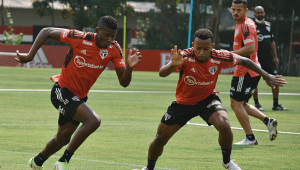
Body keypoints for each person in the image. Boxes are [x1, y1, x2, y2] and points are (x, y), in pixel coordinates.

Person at [141, 29, 286, 170]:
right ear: (193, 45)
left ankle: (227, 162)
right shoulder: (184, 56)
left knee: (224, 125)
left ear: (212, 47)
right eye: (198, 48)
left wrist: (266, 75)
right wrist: (173, 64)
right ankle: (149, 167)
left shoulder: (219, 56)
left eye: (206, 49)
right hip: (183, 103)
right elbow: (161, 73)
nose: (202, 52)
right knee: (160, 138)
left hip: (207, 100)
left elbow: (245, 61)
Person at [16, 15, 142, 170]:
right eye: (106, 35)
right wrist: (30, 56)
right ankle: (63, 161)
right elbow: (46, 31)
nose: (110, 39)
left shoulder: (114, 49)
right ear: (97, 31)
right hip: (62, 91)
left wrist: (129, 68)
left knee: (63, 138)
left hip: (78, 97)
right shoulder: (79, 37)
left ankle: (37, 162)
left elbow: (124, 82)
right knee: (93, 121)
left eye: (113, 36)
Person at [230, 0, 282, 145]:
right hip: (248, 69)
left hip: (245, 70)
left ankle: (250, 138)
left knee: (236, 104)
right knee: (241, 103)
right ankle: (268, 121)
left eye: (239, 10)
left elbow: (250, 48)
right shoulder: (241, 23)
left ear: (246, 11)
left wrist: (229, 54)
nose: (235, 12)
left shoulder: (246, 25)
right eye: (233, 9)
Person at [252, 6, 288, 111]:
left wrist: (275, 57)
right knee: (254, 82)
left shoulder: (268, 26)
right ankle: (257, 104)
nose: (260, 14)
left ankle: (275, 104)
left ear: (264, 13)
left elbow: (272, 41)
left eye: (261, 12)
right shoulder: (251, 27)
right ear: (254, 14)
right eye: (258, 13)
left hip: (268, 59)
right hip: (257, 59)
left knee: (275, 80)